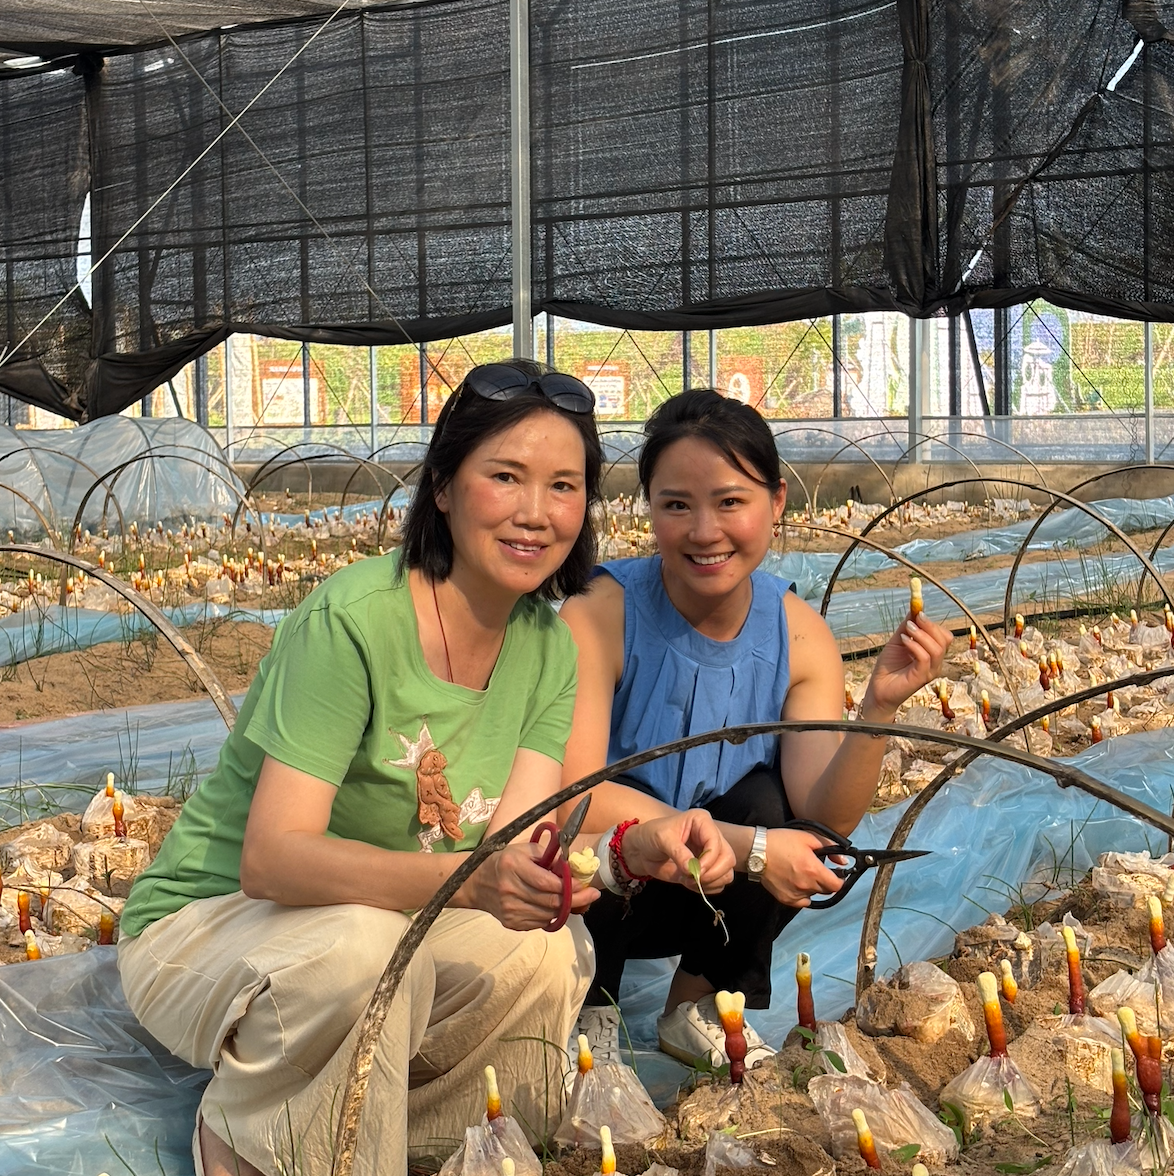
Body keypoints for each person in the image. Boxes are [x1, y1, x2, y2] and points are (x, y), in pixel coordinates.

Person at [116, 361, 723, 1176]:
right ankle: (255, 1145)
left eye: (564, 486)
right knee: (364, 950)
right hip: (213, 925)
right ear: (442, 485)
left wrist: (626, 856)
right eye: (504, 477)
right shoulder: (356, 622)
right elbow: (273, 858)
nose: (536, 514)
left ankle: (419, 1144)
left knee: (544, 948)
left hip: (382, 921)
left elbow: (520, 844)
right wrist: (472, 883)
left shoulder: (547, 646)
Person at [559, 389, 953, 1069]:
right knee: (595, 834)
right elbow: (573, 796)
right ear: (647, 507)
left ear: (775, 502)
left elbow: (823, 815)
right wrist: (755, 848)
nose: (704, 530)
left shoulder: (798, 635)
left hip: (704, 884)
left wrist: (879, 711)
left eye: (730, 502)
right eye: (676, 504)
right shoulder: (599, 614)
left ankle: (699, 1001)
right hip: (598, 890)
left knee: (787, 814)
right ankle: (589, 1001)